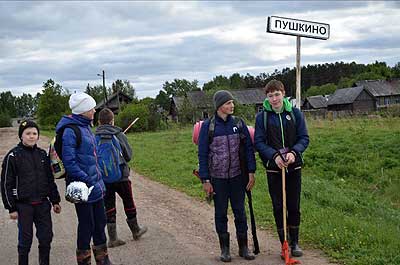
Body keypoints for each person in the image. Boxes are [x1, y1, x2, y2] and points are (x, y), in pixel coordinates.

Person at [55, 92, 114, 265]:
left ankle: (103, 259)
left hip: (95, 184)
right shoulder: (70, 131)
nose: (94, 111)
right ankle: (84, 260)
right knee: (86, 225)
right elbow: (70, 162)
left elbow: (91, 156)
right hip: (83, 187)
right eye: (91, 108)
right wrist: (88, 180)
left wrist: (99, 177)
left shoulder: (86, 126)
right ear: (82, 111)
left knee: (100, 221)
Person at [198, 90, 256, 262]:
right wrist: (205, 180)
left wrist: (251, 172)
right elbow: (202, 154)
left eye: (232, 103)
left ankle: (244, 248)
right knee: (220, 213)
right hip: (218, 179)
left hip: (238, 177)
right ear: (219, 106)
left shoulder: (239, 123)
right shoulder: (208, 127)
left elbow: (248, 149)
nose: (232, 106)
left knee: (240, 212)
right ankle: (224, 250)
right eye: (228, 103)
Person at [254, 80, 309, 257]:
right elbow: (259, 142)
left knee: (294, 205)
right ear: (267, 97)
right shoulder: (261, 117)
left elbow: (304, 138)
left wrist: (294, 152)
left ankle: (295, 243)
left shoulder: (295, 114)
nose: (274, 98)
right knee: (278, 206)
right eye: (270, 95)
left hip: (294, 168)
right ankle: (283, 243)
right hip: (273, 169)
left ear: (283, 93)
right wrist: (275, 156)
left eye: (277, 94)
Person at [1, 120, 61, 265]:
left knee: (46, 237)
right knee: (25, 241)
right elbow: (5, 184)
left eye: (34, 133)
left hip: (42, 204)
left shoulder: (42, 155)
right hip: (23, 206)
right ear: (21, 136)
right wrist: (12, 208)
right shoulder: (13, 156)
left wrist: (55, 200)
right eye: (28, 133)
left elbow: (49, 179)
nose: (31, 136)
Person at [95, 108, 147, 248]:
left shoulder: (94, 136)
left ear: (99, 122)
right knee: (128, 202)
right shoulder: (118, 134)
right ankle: (135, 230)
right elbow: (128, 156)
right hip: (121, 176)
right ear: (113, 120)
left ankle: (112, 238)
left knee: (109, 206)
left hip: (104, 178)